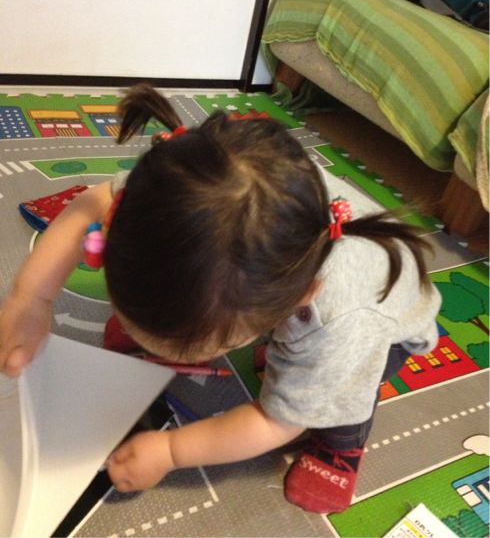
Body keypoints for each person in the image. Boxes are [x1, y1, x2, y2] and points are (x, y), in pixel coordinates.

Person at [0, 84, 441, 514]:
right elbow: (91, 205)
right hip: (290, 279)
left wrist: (171, 451)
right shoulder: (180, 184)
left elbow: (278, 421)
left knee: (327, 400)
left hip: (382, 334)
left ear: (295, 300)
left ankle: (342, 447)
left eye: (195, 347)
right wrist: (29, 300)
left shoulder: (342, 322)